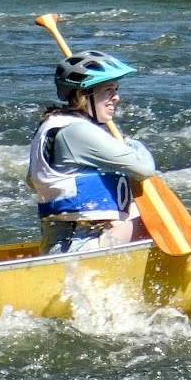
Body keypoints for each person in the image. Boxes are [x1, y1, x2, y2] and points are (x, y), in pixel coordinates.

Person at [27, 51, 157, 254]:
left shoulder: (51, 125)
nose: (116, 97)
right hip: (82, 248)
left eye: (115, 89)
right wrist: (133, 144)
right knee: (156, 220)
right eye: (107, 90)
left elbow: (32, 181)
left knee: (133, 209)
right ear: (83, 95)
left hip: (59, 246)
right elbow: (145, 168)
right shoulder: (79, 131)